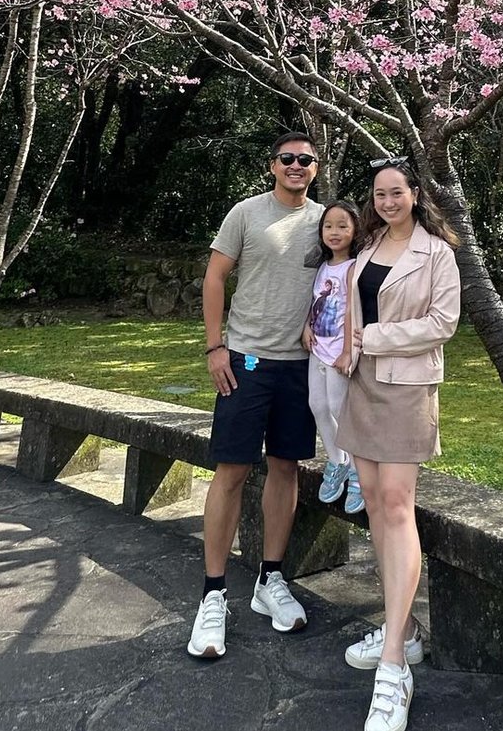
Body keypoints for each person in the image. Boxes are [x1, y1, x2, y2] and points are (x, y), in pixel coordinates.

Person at [187, 132, 323, 660]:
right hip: (244, 360)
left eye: (305, 160)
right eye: (287, 159)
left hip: (300, 366)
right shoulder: (245, 213)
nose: (295, 166)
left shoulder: (327, 220)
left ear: (315, 168)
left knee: (286, 467)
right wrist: (215, 346)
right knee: (233, 470)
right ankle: (214, 592)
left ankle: (271, 579)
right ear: (273, 165)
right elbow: (215, 279)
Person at [337, 157, 461, 731]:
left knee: (394, 504)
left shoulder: (437, 252)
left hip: (408, 387)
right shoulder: (365, 247)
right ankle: (403, 630)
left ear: (416, 194)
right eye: (379, 194)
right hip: (360, 384)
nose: (387, 201)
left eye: (397, 192)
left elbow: (444, 322)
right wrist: (336, 340)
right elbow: (350, 310)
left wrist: (377, 338)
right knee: (370, 498)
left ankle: (393, 667)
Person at [301, 200, 366, 515]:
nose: (335, 232)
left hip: (339, 353)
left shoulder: (354, 267)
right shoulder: (322, 266)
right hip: (317, 348)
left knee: (341, 410)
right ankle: (337, 461)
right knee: (318, 405)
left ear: (355, 230)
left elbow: (355, 310)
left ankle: (358, 471)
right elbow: (315, 303)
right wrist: (305, 329)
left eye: (343, 225)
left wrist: (348, 351)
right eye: (329, 226)